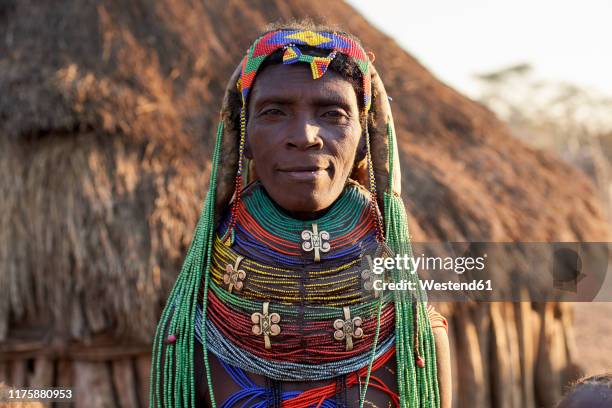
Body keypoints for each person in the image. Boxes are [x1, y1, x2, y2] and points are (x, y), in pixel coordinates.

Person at [150, 22, 451, 408]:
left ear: (364, 140)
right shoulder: (191, 336)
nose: (306, 134)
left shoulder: (416, 339)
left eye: (333, 113)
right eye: (274, 111)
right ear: (244, 138)